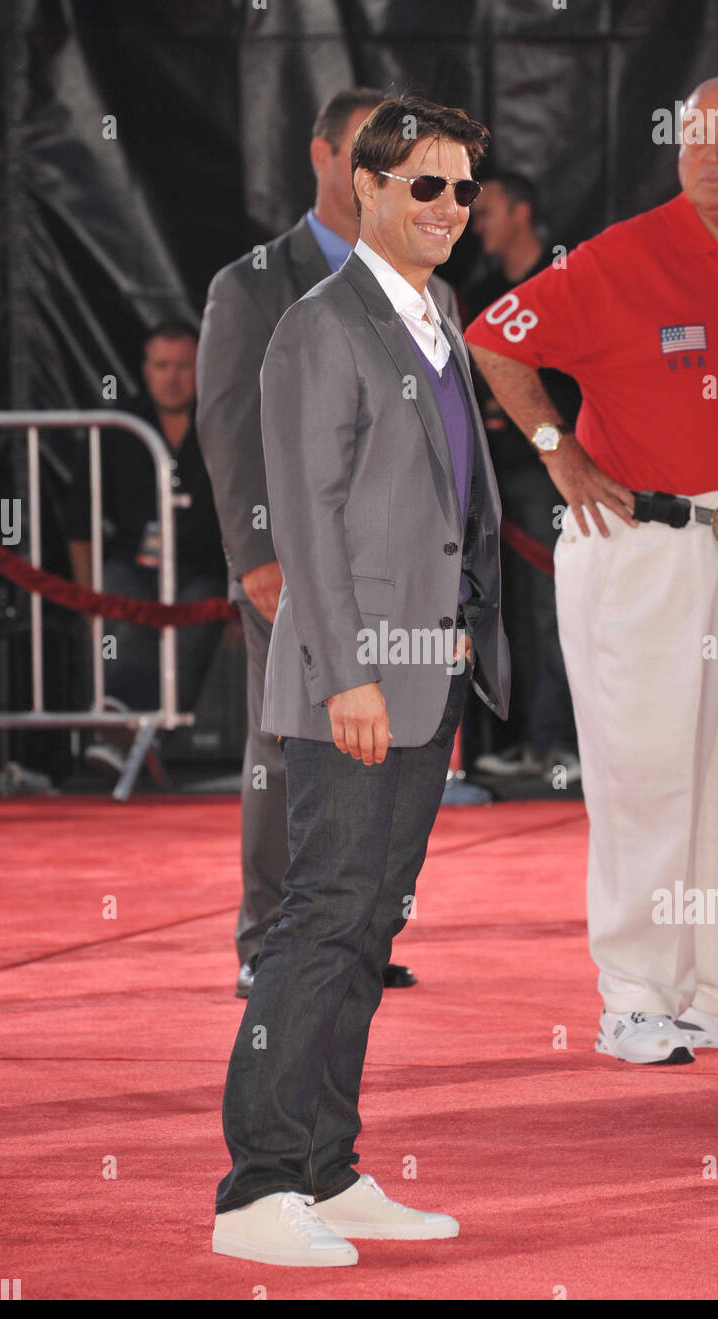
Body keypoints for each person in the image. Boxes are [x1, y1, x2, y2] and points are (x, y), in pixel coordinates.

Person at [466, 74, 718, 1064]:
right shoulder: (623, 254)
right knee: (648, 772)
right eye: (692, 141)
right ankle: (634, 996)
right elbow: (492, 339)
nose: (708, 158)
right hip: (646, 545)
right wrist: (557, 448)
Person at [212, 96, 509, 1267]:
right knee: (321, 919)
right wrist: (347, 674)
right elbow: (308, 515)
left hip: (424, 674)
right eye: (422, 186)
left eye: (461, 188)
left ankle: (326, 1171)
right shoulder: (315, 326)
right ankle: (257, 1186)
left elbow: (442, 509)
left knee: (366, 923)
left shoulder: (435, 311)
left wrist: (460, 630)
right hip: (356, 686)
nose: (447, 207)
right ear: (367, 190)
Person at [196, 88, 461, 997]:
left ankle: (357, 933)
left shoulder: (430, 287)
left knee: (393, 747)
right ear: (325, 159)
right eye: (371, 152)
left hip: (409, 584)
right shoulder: (251, 285)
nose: (398, 175)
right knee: (286, 747)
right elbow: (228, 431)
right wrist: (256, 557)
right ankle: (267, 942)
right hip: (292, 566)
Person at [66, 323, 227, 774]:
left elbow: (250, 515)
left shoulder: (223, 426)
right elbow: (78, 524)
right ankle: (131, 736)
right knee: (118, 603)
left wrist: (242, 592)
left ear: (200, 369)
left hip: (203, 572)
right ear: (144, 370)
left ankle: (125, 739)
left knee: (195, 615)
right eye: (161, 366)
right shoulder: (119, 427)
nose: (173, 377)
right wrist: (86, 600)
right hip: (132, 565)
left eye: (183, 366)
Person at [465, 174, 581, 785]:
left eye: (487, 212)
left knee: (550, 610)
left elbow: (583, 381)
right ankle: (520, 739)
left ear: (521, 211)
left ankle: (558, 742)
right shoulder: (480, 291)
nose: (477, 223)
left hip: (551, 475)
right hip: (488, 478)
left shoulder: (564, 284)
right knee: (497, 610)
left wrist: (548, 433)